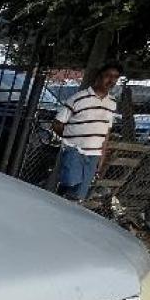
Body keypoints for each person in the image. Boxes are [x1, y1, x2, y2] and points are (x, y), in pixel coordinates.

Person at [51, 62, 122, 201]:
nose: (111, 80)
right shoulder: (79, 98)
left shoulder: (112, 103)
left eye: (115, 77)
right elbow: (57, 123)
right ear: (99, 76)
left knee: (79, 195)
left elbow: (106, 130)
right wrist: (71, 139)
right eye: (108, 76)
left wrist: (101, 157)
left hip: (94, 154)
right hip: (75, 150)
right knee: (70, 184)